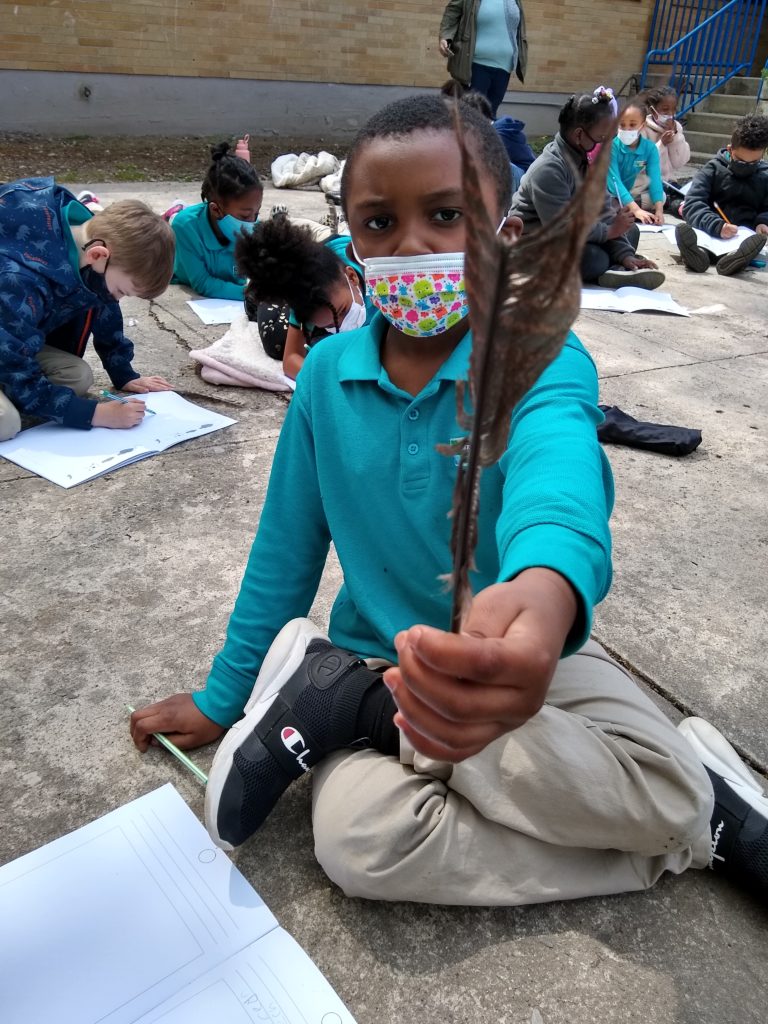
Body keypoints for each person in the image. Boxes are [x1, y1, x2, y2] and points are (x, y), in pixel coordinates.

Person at [129, 95, 767, 909]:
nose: (412, 245)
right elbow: (284, 552)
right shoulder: (323, 379)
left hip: (537, 664)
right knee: (360, 844)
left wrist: (543, 590)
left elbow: (558, 477)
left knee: (668, 791)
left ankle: (671, 810)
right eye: (378, 223)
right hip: (374, 659)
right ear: (350, 237)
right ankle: (685, 828)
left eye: (445, 214)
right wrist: (225, 698)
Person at [0, 179, 175, 441]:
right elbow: (16, 368)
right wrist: (96, 414)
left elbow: (103, 305)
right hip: (8, 345)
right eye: (121, 291)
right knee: (6, 422)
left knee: (78, 376)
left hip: (9, 340)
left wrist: (123, 373)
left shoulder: (87, 240)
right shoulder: (21, 278)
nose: (117, 299)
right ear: (98, 255)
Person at [510, 92, 665, 289]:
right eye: (601, 138)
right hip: (535, 246)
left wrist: (625, 254)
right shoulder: (549, 169)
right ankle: (607, 268)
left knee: (630, 231)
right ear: (579, 135)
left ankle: (618, 267)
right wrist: (609, 232)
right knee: (594, 259)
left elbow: (604, 211)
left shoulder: (587, 162)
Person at [236, 218, 374, 378]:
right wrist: (328, 381)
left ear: (352, 277)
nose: (344, 324)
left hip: (331, 250)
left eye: (343, 310)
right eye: (330, 324)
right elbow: (291, 359)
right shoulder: (305, 298)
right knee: (276, 341)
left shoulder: (383, 285)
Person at [675, 113, 768, 276]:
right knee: (699, 244)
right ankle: (696, 256)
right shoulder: (713, 169)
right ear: (730, 149)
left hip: (743, 239)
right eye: (740, 161)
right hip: (709, 233)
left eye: (753, 163)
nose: (746, 166)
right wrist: (716, 226)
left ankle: (735, 260)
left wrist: (763, 223)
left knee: (749, 248)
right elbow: (692, 204)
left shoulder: (765, 175)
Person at [168, 142, 263, 300]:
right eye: (245, 216)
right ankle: (173, 212)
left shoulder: (253, 227)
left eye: (257, 213)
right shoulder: (185, 227)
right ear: (215, 210)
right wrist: (253, 296)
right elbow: (203, 283)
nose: (252, 222)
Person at [439, 0, 528, 118]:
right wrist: (445, 36)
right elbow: (452, 11)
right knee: (472, 114)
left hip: (504, 67)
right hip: (476, 64)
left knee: (490, 115)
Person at [608, 100, 665, 225]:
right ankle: (631, 211)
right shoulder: (611, 147)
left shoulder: (650, 149)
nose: (626, 129)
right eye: (622, 125)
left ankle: (629, 210)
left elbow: (655, 178)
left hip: (628, 194)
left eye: (632, 125)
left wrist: (659, 210)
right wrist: (636, 209)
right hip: (609, 193)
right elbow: (614, 181)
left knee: (661, 198)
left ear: (642, 125)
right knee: (609, 204)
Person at [640, 85, 691, 189]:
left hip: (669, 182)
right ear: (653, 111)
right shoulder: (643, 129)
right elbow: (641, 165)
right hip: (648, 183)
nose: (670, 114)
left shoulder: (676, 128)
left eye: (673, 110)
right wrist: (661, 144)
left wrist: (676, 137)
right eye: (665, 110)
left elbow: (679, 163)